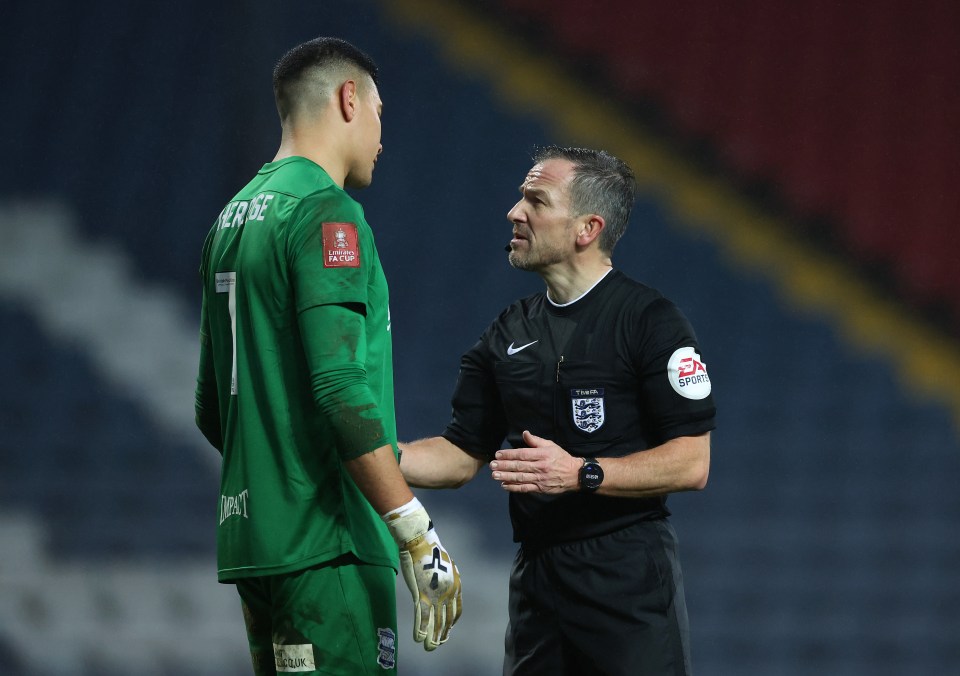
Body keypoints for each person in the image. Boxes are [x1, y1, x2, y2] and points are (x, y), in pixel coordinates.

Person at [194, 37, 461, 675]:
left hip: (259, 544)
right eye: (378, 113)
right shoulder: (327, 215)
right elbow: (341, 388)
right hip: (329, 547)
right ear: (348, 100)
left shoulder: (231, 219)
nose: (380, 136)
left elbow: (212, 409)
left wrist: (278, 474)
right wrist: (415, 532)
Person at [399, 145, 715, 675]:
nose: (514, 213)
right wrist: (377, 455)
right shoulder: (507, 331)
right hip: (537, 580)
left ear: (586, 228)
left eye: (535, 200)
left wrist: (581, 473)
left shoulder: (651, 321)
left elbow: (692, 462)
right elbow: (459, 454)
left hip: (627, 576)